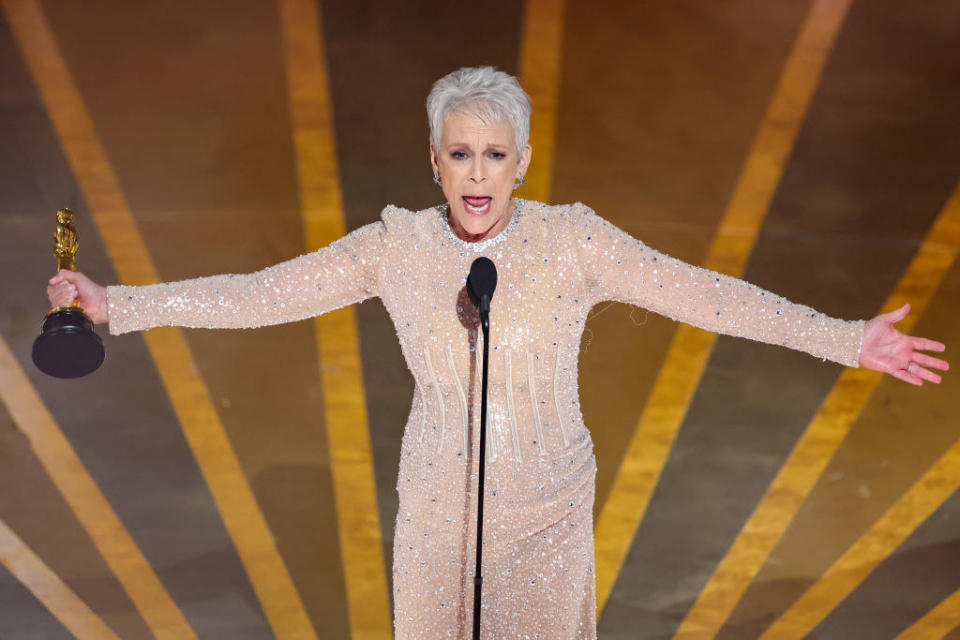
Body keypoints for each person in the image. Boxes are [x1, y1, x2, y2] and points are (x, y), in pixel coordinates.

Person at [46, 66, 948, 639]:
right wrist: (117, 305)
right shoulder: (394, 247)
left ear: (521, 163)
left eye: (495, 155)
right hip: (438, 511)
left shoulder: (574, 242)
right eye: (459, 154)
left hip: (548, 509)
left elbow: (706, 295)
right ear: (434, 162)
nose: (477, 175)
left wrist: (844, 340)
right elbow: (261, 295)